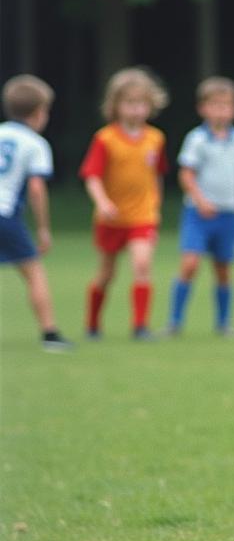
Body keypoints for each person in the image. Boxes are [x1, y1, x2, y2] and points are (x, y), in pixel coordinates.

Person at [79, 67, 169, 340]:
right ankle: (93, 325)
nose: (136, 109)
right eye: (129, 103)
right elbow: (92, 176)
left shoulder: (156, 138)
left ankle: (140, 326)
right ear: (115, 105)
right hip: (111, 218)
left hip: (142, 216)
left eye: (142, 103)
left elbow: (156, 176)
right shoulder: (105, 139)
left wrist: (156, 206)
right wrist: (102, 202)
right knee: (106, 274)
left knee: (142, 265)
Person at [166, 77, 234, 336]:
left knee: (223, 269)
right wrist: (200, 200)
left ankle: (223, 322)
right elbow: (186, 174)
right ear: (203, 108)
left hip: (228, 213)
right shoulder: (196, 139)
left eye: (227, 105)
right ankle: (175, 321)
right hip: (198, 214)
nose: (222, 111)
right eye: (215, 105)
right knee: (190, 264)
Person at [0, 75, 74, 351]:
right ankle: (50, 334)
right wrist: (43, 228)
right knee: (34, 272)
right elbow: (36, 188)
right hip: (6, 214)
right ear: (39, 113)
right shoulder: (35, 144)